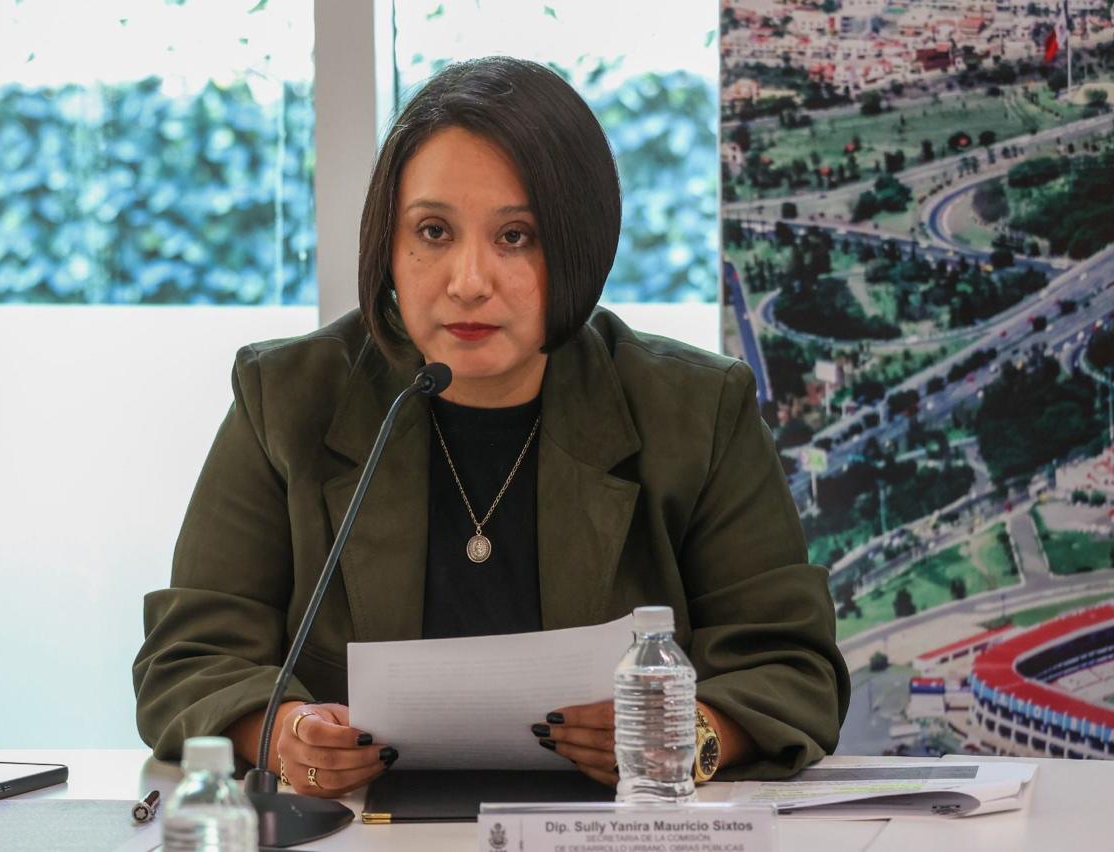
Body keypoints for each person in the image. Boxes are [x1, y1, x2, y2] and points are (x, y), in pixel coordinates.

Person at [133, 56, 850, 799]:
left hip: (615, 832)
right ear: (388, 245)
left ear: (579, 245)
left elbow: (793, 668)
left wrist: (687, 735)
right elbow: (189, 659)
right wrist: (281, 733)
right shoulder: (286, 399)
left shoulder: (697, 410)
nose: (468, 281)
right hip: (353, 832)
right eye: (433, 231)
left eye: (516, 236)